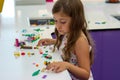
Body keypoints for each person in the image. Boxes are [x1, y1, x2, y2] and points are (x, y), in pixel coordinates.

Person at [37, 0, 94, 80]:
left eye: (63, 22)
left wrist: (67, 65)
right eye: (55, 21)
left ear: (75, 20)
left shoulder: (80, 41)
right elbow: (67, 44)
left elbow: (85, 75)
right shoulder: (68, 31)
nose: (58, 26)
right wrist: (53, 41)